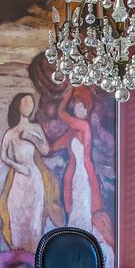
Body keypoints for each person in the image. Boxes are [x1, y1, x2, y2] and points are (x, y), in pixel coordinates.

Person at [0, 93, 48, 250]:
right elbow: (3, 156)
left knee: (34, 222)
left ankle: (33, 256)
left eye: (31, 102)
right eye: (25, 102)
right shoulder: (11, 132)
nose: (29, 105)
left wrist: (30, 137)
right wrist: (17, 167)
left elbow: (45, 150)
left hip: (34, 177)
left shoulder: (36, 128)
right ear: (18, 106)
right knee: (16, 214)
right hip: (20, 177)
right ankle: (18, 255)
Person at [52, 96, 103, 230]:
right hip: (74, 174)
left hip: (84, 173)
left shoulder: (85, 126)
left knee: (84, 206)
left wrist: (65, 99)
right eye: (77, 106)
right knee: (73, 207)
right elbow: (54, 146)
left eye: (82, 107)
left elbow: (62, 115)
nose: (79, 109)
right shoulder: (71, 132)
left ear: (87, 110)